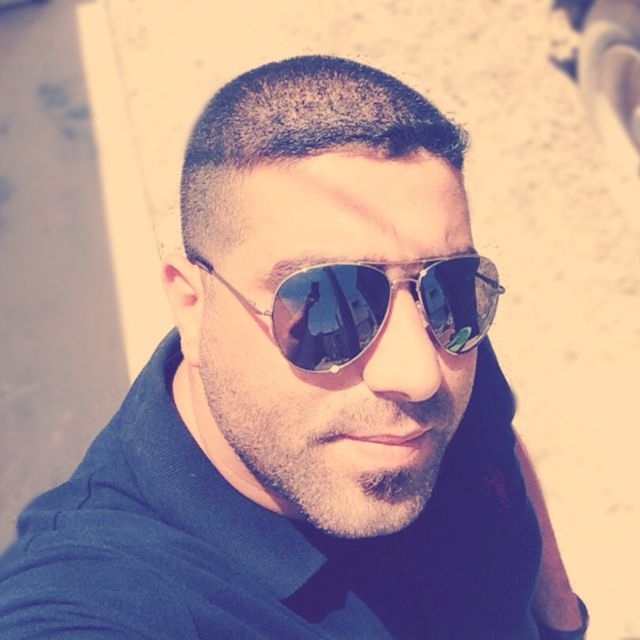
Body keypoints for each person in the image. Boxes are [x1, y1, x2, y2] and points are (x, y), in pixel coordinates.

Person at [0, 55, 588, 639]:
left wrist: (562, 622)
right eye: (329, 303)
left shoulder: (435, 330)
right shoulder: (97, 594)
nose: (419, 374)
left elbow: (494, 438)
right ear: (191, 304)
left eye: (453, 287)